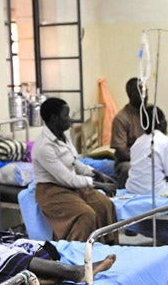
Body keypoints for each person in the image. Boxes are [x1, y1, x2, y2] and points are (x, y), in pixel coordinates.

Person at [33, 97, 118, 243]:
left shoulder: (63, 135)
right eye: (66, 115)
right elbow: (67, 179)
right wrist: (98, 184)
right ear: (54, 119)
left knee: (105, 204)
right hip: (52, 191)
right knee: (86, 215)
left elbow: (74, 163)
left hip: (72, 186)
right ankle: (79, 256)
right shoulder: (44, 147)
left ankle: (107, 248)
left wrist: (96, 173)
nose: (70, 120)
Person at [125, 107, 168, 195]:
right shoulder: (165, 141)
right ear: (161, 123)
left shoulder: (137, 142)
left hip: (132, 189)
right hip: (155, 191)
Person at [110, 77, 149, 187]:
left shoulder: (152, 112)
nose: (145, 95)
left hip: (150, 156)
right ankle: (123, 196)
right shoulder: (122, 118)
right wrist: (143, 159)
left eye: (146, 91)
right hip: (129, 159)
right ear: (131, 94)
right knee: (128, 169)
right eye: (141, 92)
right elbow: (121, 152)